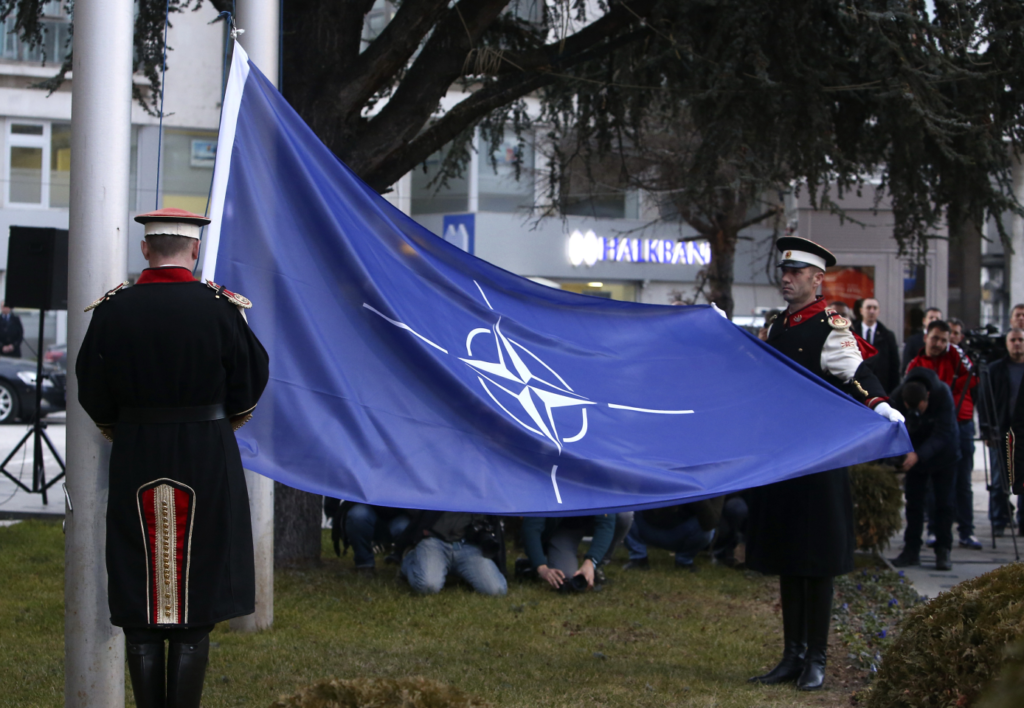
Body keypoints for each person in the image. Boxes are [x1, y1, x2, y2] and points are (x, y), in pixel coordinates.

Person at [76, 208, 270, 708]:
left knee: (140, 599)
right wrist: (211, 425)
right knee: (198, 592)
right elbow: (250, 384)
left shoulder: (112, 310)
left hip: (137, 449)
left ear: (145, 249)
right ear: (195, 249)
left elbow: (92, 390)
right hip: (207, 452)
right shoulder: (222, 308)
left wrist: (129, 428)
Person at [746, 236, 903, 692]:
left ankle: (816, 658)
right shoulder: (777, 326)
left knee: (816, 562)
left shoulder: (830, 323)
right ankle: (791, 655)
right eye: (784, 271)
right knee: (790, 558)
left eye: (795, 273)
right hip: (786, 457)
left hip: (818, 458)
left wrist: (879, 403)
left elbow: (853, 370)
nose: (786, 278)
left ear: (817, 280)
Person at [905, 320, 980, 549]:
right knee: (930, 488)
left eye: (944, 340)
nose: (939, 344)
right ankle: (933, 531)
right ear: (926, 336)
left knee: (963, 483)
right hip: (930, 431)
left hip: (959, 422)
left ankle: (966, 531)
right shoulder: (915, 364)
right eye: (935, 338)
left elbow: (972, 382)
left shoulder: (956, 356)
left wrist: (955, 407)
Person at [890, 367, 960, 570]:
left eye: (919, 408)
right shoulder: (898, 395)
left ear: (927, 398)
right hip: (914, 455)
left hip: (944, 456)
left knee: (944, 504)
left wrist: (919, 454)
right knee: (914, 504)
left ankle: (943, 550)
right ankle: (911, 550)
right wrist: (901, 455)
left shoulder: (942, 394)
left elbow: (944, 433)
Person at [395, 511, 507, 596]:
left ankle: (460, 571)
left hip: (468, 544)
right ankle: (410, 559)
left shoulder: (480, 485)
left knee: (497, 590)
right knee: (428, 586)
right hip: (434, 540)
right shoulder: (436, 482)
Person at [985, 328, 1024, 536]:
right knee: (1000, 478)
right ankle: (998, 520)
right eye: (1013, 340)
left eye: (1020, 340)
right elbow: (985, 401)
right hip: (1000, 431)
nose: (1017, 343)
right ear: (1007, 343)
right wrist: (987, 429)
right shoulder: (995, 369)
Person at [621, 498, 722, 572]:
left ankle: (684, 561)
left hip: (683, 531)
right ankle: (638, 557)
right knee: (622, 508)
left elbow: (711, 523)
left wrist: (697, 495)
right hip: (648, 524)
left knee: (707, 530)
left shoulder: (712, 479)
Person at [521, 514, 615, 590]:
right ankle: (535, 562)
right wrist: (541, 566)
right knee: (566, 576)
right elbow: (531, 527)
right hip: (564, 528)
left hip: (590, 520)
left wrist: (591, 561)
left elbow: (606, 523)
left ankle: (597, 566)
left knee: (623, 516)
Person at [323, 500, 412, 572]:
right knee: (358, 516)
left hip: (401, 513)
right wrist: (332, 512)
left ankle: (404, 564)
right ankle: (364, 564)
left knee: (407, 528)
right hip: (367, 508)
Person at [856, 298, 901, 393]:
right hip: (856, 386)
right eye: (868, 308)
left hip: (880, 387)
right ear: (861, 311)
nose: (872, 311)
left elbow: (894, 366)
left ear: (879, 311)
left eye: (875, 308)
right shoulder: (852, 333)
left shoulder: (888, 335)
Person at [903, 306, 943, 372]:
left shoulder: (945, 341)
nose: (934, 320)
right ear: (924, 321)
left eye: (937, 318)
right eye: (931, 318)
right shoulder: (912, 341)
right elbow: (906, 366)